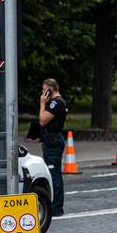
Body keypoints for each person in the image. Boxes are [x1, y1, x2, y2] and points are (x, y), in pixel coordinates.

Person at [38, 78, 68, 217]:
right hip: (54, 139)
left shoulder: (55, 103)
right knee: (55, 173)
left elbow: (43, 120)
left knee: (54, 174)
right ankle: (56, 206)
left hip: (53, 142)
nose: (43, 93)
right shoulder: (60, 102)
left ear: (50, 89)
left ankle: (56, 207)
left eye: (44, 90)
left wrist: (42, 103)